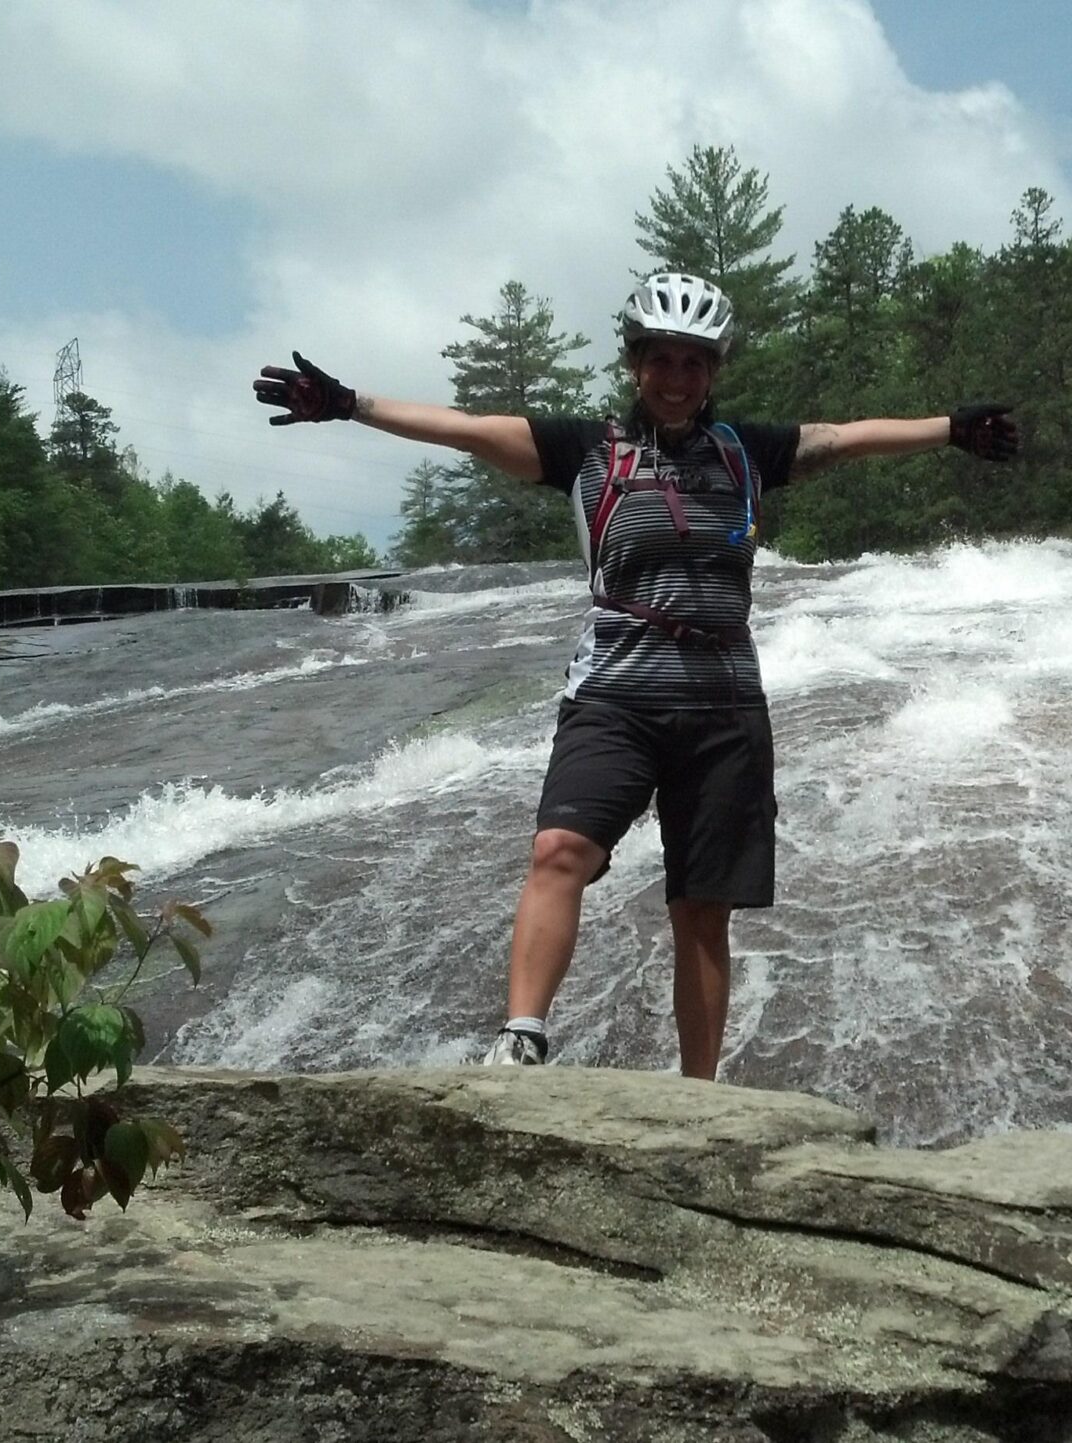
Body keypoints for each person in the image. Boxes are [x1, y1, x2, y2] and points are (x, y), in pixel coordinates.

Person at [253, 272, 1019, 1080]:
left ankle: (699, 1095)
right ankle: (520, 1042)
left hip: (724, 708)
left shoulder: (746, 453)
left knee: (701, 909)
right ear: (635, 363)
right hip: (614, 697)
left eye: (695, 362)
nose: (677, 377)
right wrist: (349, 404)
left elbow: (849, 436)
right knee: (559, 851)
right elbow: (465, 429)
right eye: (662, 359)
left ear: (714, 370)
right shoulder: (585, 450)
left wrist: (952, 428)